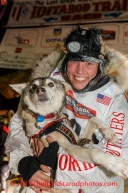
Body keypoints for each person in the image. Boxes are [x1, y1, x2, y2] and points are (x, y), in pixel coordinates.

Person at [5, 26, 128, 193]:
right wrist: (24, 162)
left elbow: (118, 155)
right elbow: (18, 127)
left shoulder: (114, 96)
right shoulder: (46, 81)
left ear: (100, 66)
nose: (80, 71)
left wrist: (58, 166)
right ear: (66, 61)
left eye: (89, 63)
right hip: (40, 183)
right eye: (74, 61)